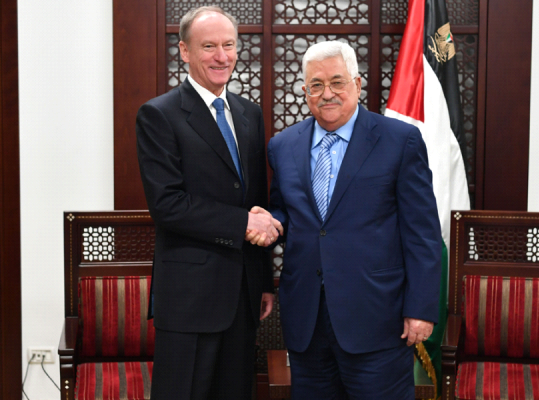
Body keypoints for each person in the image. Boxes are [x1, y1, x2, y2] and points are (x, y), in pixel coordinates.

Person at [264, 40, 442, 399]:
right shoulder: (282, 146)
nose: (326, 93)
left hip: (378, 319)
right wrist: (267, 220)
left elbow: (422, 233)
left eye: (337, 81)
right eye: (316, 85)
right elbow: (287, 212)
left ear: (357, 85)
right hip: (307, 320)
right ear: (304, 91)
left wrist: (421, 309)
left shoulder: (399, 140)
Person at [136, 6, 282, 399]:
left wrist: (264, 280)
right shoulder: (159, 115)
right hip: (189, 299)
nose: (222, 56)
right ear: (184, 51)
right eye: (209, 46)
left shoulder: (249, 114)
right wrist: (242, 225)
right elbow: (167, 204)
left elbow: (255, 202)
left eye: (229, 45)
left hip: (243, 296)